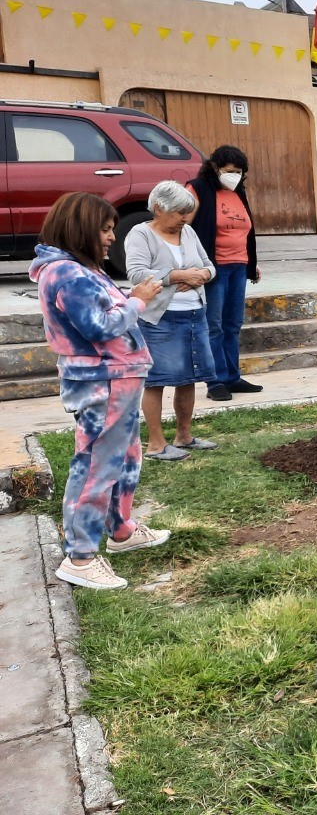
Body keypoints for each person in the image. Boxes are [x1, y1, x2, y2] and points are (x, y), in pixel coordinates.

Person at [30, 193, 170, 590]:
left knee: (124, 459)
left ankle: (121, 530)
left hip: (117, 378)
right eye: (105, 230)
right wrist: (137, 302)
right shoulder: (67, 274)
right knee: (96, 466)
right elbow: (98, 327)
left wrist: (131, 300)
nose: (112, 237)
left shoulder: (81, 269)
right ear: (81, 229)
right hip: (102, 382)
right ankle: (80, 557)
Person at [125, 181, 219, 462]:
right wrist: (178, 276)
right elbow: (136, 273)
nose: (184, 218)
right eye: (178, 212)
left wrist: (202, 276)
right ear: (158, 208)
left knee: (188, 377)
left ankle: (184, 436)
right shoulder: (140, 234)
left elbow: (209, 265)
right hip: (160, 319)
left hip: (195, 314)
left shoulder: (188, 232)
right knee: (156, 381)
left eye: (186, 213)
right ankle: (156, 444)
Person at [188, 145, 262, 402]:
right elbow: (185, 228)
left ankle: (233, 377)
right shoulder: (198, 189)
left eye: (239, 172)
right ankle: (215, 381)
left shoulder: (238, 192)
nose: (234, 176)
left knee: (233, 325)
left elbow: (245, 231)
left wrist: (252, 263)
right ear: (214, 167)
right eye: (229, 171)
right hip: (214, 269)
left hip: (239, 266)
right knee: (214, 326)